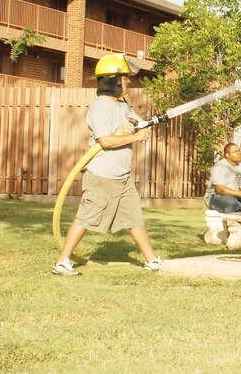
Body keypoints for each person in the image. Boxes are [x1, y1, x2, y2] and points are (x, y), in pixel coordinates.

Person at [52, 53, 162, 276]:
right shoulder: (101, 107)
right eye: (124, 77)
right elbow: (105, 141)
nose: (129, 81)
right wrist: (135, 137)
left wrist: (141, 128)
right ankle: (62, 262)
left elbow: (137, 124)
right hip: (102, 177)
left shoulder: (122, 105)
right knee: (86, 218)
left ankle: (152, 261)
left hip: (122, 176)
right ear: (113, 80)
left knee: (134, 218)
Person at [204, 143, 241, 214]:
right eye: (235, 151)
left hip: (234, 197)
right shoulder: (220, 166)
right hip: (215, 198)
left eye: (239, 150)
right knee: (231, 202)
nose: (239, 153)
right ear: (227, 155)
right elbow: (219, 189)